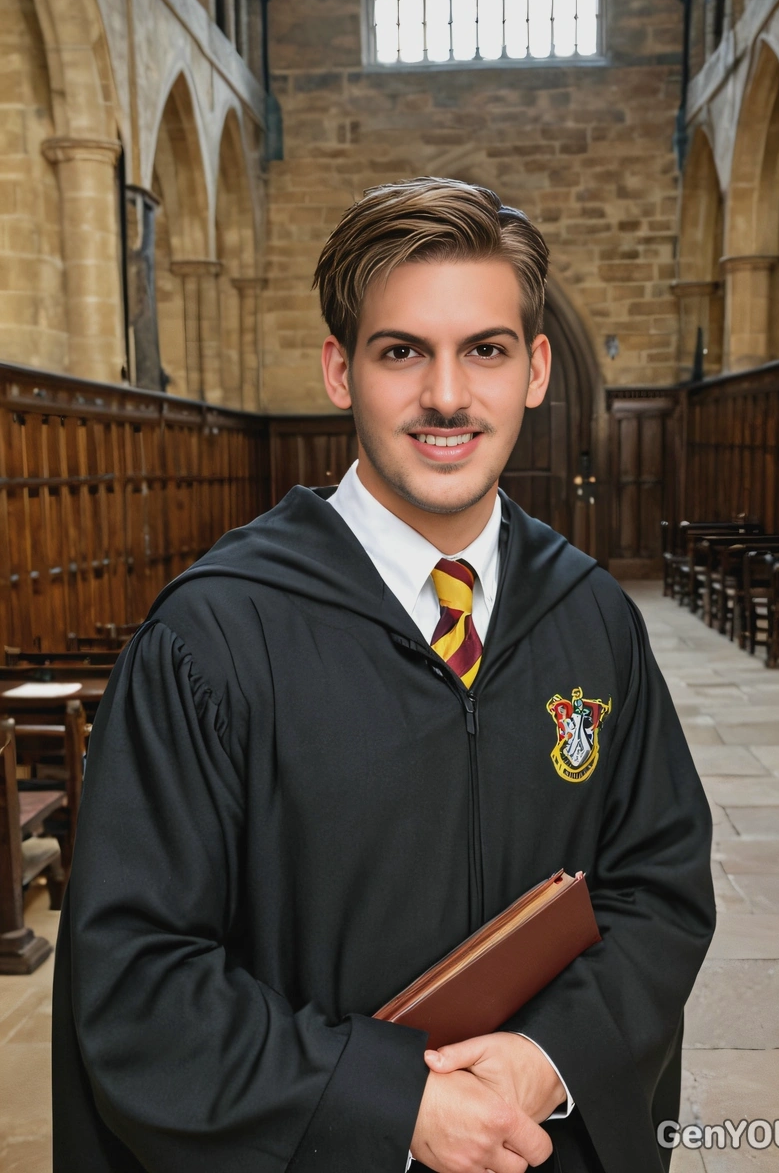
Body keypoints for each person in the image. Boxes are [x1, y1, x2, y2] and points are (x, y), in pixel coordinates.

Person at [52, 177, 715, 1173]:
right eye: (401, 350)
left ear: (535, 370)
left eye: (484, 349)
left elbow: (659, 888)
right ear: (339, 370)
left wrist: (549, 1054)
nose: (446, 395)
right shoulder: (215, 636)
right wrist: (389, 1101)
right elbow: (138, 980)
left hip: (539, 1144)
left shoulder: (590, 617)